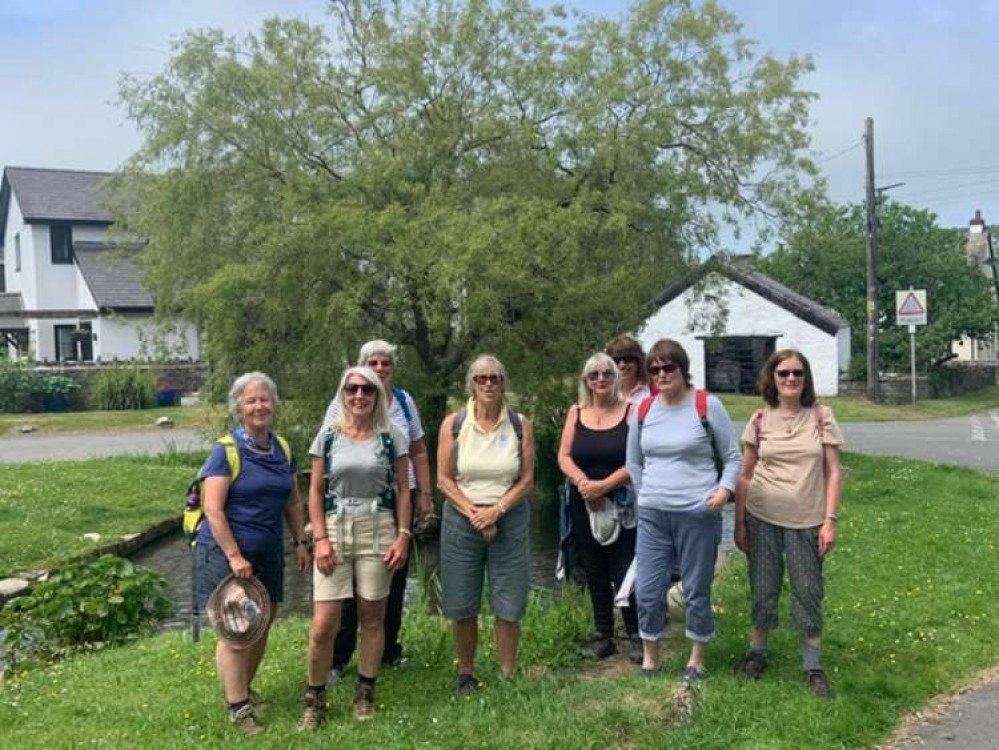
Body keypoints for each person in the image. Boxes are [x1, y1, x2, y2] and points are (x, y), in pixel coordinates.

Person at [194, 372, 311, 736]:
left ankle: (244, 689)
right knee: (235, 628)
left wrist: (300, 541)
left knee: (262, 622)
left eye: (265, 399)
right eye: (251, 401)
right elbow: (213, 510)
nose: (259, 406)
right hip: (226, 551)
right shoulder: (225, 451)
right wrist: (234, 556)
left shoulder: (282, 449)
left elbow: (292, 500)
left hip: (269, 550)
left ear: (274, 405)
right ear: (239, 409)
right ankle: (239, 708)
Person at [299, 367, 412, 728]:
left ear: (377, 395)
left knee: (372, 617)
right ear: (343, 393)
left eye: (367, 389)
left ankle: (365, 690)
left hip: (377, 527)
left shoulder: (392, 437)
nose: (359, 396)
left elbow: (404, 491)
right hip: (334, 527)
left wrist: (403, 534)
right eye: (352, 389)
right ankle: (314, 698)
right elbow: (314, 492)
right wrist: (319, 539)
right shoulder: (328, 437)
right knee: (323, 624)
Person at [625, 339, 741, 683]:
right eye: (655, 369)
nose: (662, 374)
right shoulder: (643, 410)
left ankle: (696, 659)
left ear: (682, 368)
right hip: (653, 516)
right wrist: (645, 493)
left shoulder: (707, 405)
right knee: (646, 590)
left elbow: (732, 456)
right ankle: (651, 658)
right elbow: (633, 461)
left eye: (669, 367)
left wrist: (724, 491)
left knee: (695, 588)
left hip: (697, 513)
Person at [734, 349, 844, 698]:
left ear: (806, 378)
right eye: (783, 373)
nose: (791, 379)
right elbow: (746, 474)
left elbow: (834, 472)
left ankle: (813, 666)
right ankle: (757, 653)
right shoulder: (759, 419)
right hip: (762, 516)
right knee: (763, 587)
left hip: (807, 519)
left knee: (808, 591)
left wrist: (829, 521)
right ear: (773, 378)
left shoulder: (821, 417)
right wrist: (739, 522)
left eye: (797, 373)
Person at [322, 340, 433, 678]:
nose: (381, 368)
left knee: (393, 576)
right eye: (374, 362)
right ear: (361, 365)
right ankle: (340, 658)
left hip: (400, 494)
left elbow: (418, 450)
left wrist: (424, 494)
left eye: (386, 363)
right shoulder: (345, 400)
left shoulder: (403, 401)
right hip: (354, 499)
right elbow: (325, 453)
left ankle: (388, 650)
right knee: (350, 587)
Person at [437, 355, 535, 695]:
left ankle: (508, 674)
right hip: (462, 520)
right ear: (472, 384)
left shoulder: (519, 424)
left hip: (509, 518)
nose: (489, 384)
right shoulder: (454, 424)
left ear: (504, 382)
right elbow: (444, 480)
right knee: (461, 600)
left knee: (508, 601)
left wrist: (498, 510)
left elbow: (527, 479)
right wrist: (475, 513)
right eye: (481, 378)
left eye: (495, 378)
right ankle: (466, 672)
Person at [557, 353, 641, 662]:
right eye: (594, 375)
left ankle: (635, 633)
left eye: (607, 373)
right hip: (583, 501)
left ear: (616, 378)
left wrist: (604, 487)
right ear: (586, 381)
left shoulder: (631, 412)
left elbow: (636, 459)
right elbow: (564, 456)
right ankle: (603, 633)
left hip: (620, 500)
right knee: (593, 566)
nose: (601, 379)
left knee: (625, 566)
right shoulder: (576, 412)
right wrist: (584, 484)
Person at [607, 335, 655, 404]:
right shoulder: (605, 392)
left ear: (638, 361)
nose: (622, 365)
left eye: (628, 359)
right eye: (616, 360)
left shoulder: (653, 389)